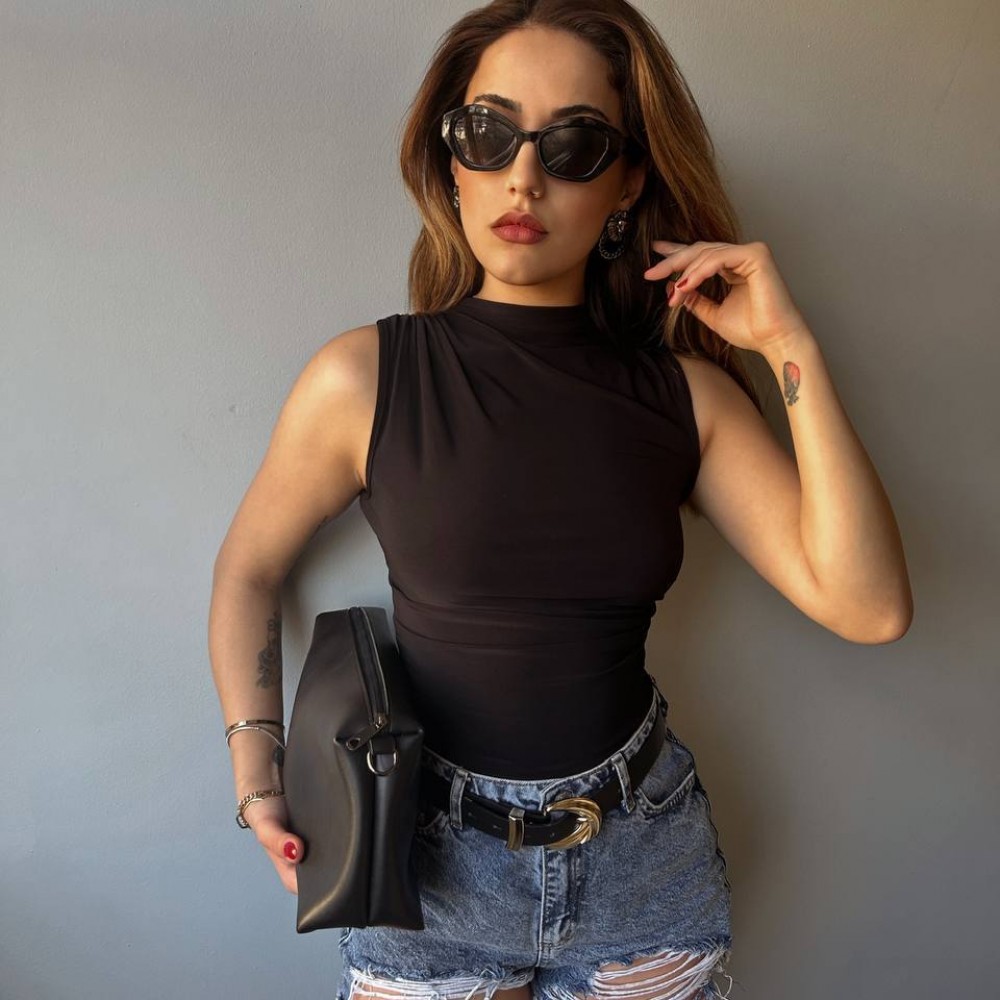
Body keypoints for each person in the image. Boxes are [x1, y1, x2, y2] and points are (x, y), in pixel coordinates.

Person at [208, 2, 913, 998]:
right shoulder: (364, 378)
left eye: (573, 145)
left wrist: (787, 347)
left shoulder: (685, 397)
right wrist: (258, 778)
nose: (523, 177)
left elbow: (869, 606)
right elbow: (248, 569)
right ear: (450, 160)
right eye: (488, 133)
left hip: (640, 864)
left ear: (628, 182)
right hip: (424, 871)